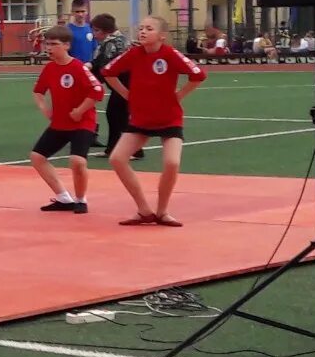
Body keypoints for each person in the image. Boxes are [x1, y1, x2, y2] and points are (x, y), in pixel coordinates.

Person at [103, 16, 208, 227]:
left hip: (169, 118)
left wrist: (179, 95)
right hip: (141, 118)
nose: (142, 32)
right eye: (140, 28)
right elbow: (108, 72)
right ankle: (143, 210)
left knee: (172, 163)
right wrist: (126, 94)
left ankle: (162, 211)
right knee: (117, 158)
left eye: (148, 29)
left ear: (161, 35)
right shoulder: (134, 54)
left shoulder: (170, 54)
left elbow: (198, 75)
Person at [29, 27, 104, 213]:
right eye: (47, 44)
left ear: (67, 46)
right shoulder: (50, 68)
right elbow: (38, 92)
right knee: (37, 157)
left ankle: (81, 199)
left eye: (54, 44)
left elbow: (97, 91)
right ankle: (63, 198)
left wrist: (80, 110)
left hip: (82, 123)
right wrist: (46, 110)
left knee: (77, 161)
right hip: (60, 123)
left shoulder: (78, 67)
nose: (49, 48)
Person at [90, 14, 140, 160]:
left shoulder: (112, 43)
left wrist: (93, 76)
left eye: (95, 31)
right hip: (122, 84)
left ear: (103, 30)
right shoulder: (121, 40)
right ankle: (112, 149)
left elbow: (105, 66)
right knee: (114, 115)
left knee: (120, 117)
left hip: (124, 84)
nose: (94, 34)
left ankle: (134, 150)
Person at [67, 0, 96, 64]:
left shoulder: (92, 29)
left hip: (88, 68)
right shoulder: (67, 30)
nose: (80, 14)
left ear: (87, 12)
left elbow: (95, 49)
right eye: (77, 12)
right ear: (72, 12)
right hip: (72, 68)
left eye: (83, 11)